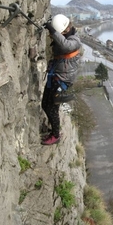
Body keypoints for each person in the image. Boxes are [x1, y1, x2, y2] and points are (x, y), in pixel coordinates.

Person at [41, 14, 81, 145]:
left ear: (65, 30)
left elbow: (66, 47)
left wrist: (52, 31)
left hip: (62, 80)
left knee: (50, 107)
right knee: (47, 105)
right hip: (57, 76)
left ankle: (56, 135)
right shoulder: (65, 36)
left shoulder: (75, 40)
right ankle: (55, 129)